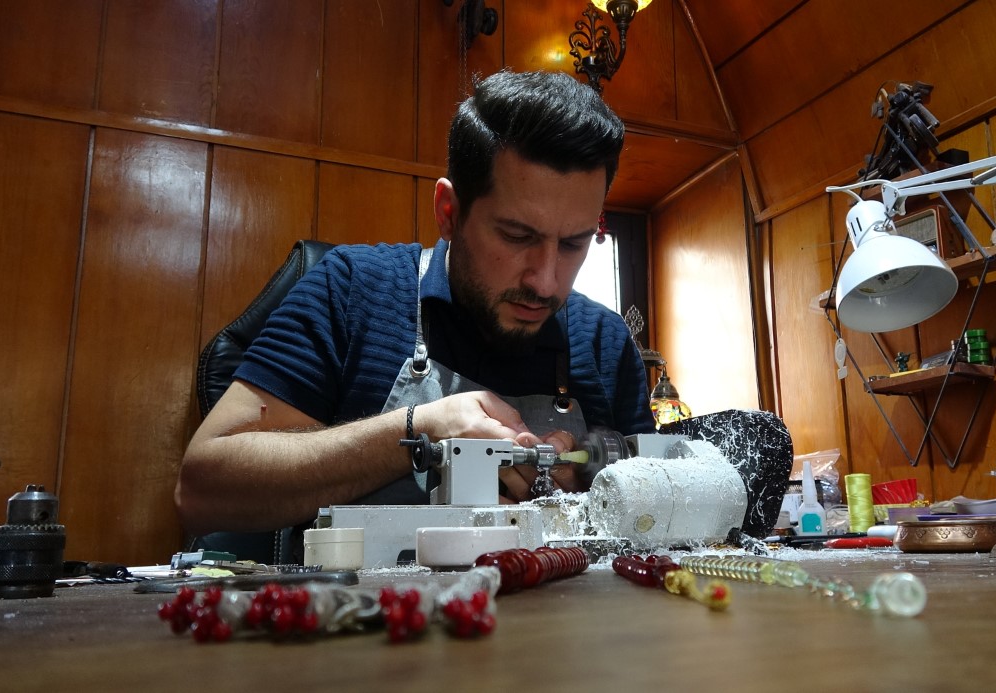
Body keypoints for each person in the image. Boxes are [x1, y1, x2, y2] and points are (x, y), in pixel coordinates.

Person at [176, 70, 655, 537]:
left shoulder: (605, 343)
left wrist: (596, 488)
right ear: (449, 213)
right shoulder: (353, 291)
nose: (546, 283)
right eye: (516, 236)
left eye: (573, 243)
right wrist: (417, 432)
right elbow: (201, 489)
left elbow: (664, 507)